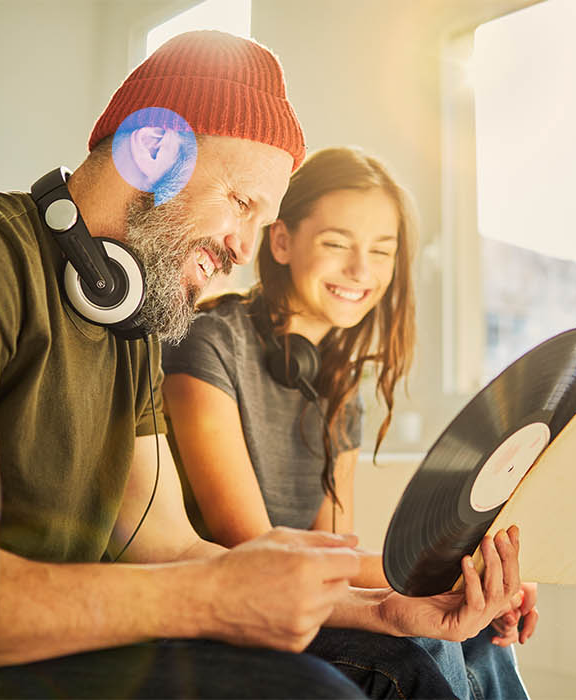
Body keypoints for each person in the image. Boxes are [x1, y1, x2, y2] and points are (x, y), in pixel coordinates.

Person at [0, 31, 526, 698]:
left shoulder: (134, 324)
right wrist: (213, 599)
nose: (245, 248)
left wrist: (388, 610)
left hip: (35, 654)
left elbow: (167, 546)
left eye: (259, 222)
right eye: (240, 203)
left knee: (404, 664)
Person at [161, 146, 536, 698]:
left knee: (475, 636)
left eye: (381, 252)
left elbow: (332, 548)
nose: (362, 271)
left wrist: (472, 586)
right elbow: (253, 547)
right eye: (337, 244)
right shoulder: (209, 343)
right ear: (282, 241)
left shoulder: (339, 384)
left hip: (296, 598)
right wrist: (448, 582)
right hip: (227, 609)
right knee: (419, 647)